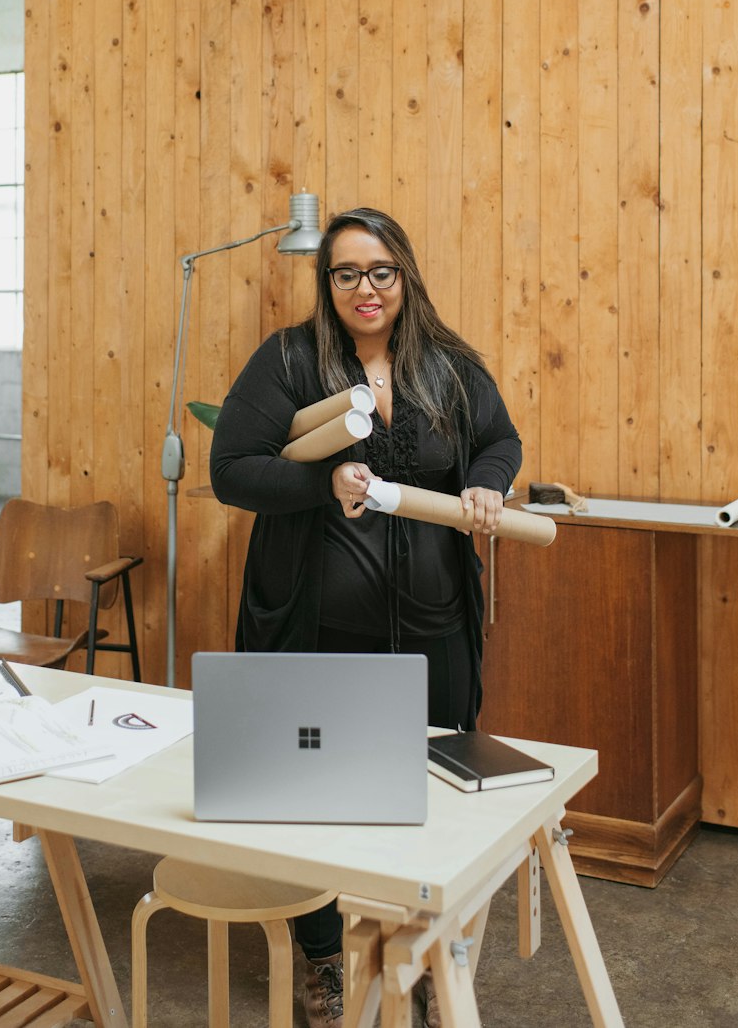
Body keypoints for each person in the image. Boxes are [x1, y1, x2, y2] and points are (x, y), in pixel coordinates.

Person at [209, 207, 522, 1028]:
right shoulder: (287, 359)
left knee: (431, 792)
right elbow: (232, 472)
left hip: (435, 628)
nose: (365, 288)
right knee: (314, 797)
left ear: (405, 274)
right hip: (317, 632)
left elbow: (498, 440)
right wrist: (324, 484)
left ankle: (414, 949)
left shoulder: (448, 367)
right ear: (328, 284)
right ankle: (327, 961)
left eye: (380, 270)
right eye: (346, 273)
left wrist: (487, 482)